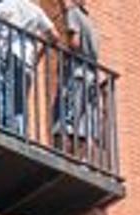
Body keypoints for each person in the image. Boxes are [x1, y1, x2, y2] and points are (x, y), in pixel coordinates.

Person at [0, 0, 56, 137]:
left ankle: (6, 131)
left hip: (4, 55)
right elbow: (54, 36)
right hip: (25, 57)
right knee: (19, 100)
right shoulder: (35, 10)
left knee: (4, 97)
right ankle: (21, 134)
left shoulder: (1, 7)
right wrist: (38, 56)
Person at [52, 0, 103, 160]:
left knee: (65, 121)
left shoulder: (73, 13)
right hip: (91, 77)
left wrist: (63, 50)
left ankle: (63, 159)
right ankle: (82, 161)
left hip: (77, 73)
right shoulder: (91, 23)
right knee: (83, 127)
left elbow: (75, 43)